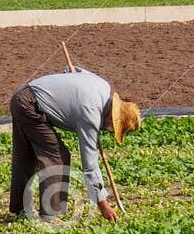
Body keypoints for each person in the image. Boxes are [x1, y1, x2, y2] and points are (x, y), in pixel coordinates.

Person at [8, 65, 141, 223]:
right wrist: (102, 204)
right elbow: (90, 166)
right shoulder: (91, 115)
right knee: (58, 156)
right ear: (112, 119)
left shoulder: (103, 86)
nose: (108, 131)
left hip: (22, 97)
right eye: (112, 129)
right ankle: (50, 215)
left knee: (26, 156)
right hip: (29, 106)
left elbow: (71, 70)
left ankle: (19, 210)